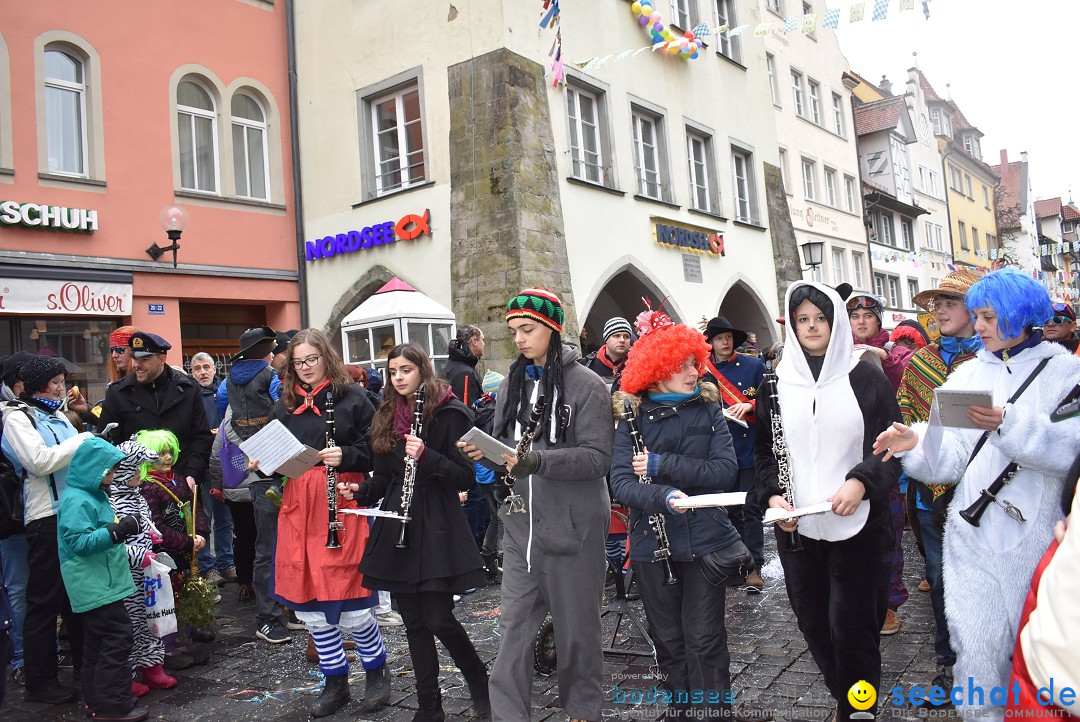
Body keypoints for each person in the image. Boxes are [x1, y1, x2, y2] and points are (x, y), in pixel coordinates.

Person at [874, 268, 1080, 722]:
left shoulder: (1066, 373)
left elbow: (1070, 453)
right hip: (973, 533)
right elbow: (948, 457)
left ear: (1019, 316)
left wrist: (1009, 423)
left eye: (987, 316)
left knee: (1035, 651)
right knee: (976, 648)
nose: (979, 326)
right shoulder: (967, 374)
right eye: (978, 316)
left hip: (1040, 537)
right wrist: (916, 442)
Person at [460, 287, 614, 722]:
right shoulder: (511, 381)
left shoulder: (587, 386)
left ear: (552, 329)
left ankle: (583, 711)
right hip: (521, 528)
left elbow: (598, 458)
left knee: (577, 634)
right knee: (512, 633)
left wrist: (538, 460)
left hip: (573, 529)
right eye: (513, 331)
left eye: (527, 329)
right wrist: (485, 452)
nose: (520, 339)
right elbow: (511, 451)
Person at [755, 281, 901, 722]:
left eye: (820, 319)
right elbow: (764, 453)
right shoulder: (775, 384)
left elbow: (890, 447)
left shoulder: (865, 375)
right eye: (803, 320)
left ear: (835, 323)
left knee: (852, 631)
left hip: (859, 528)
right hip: (799, 532)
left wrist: (860, 482)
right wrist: (773, 497)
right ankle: (848, 698)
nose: (812, 327)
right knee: (816, 629)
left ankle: (858, 711)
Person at [340, 343, 489, 720]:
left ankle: (477, 677)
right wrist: (361, 490)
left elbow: (466, 475)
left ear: (423, 369)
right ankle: (429, 707)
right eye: (393, 372)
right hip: (398, 522)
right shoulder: (387, 415)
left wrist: (427, 456)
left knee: (439, 617)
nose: (398, 378)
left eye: (406, 369)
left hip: (437, 520)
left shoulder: (450, 412)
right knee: (414, 623)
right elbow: (386, 477)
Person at [609, 311, 741, 720]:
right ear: (658, 369)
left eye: (692, 362)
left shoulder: (708, 410)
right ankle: (681, 711)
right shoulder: (631, 418)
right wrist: (663, 497)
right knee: (668, 641)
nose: (692, 372)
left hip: (704, 541)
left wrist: (660, 465)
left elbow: (725, 471)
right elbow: (620, 483)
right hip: (652, 544)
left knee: (704, 638)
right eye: (681, 365)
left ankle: (714, 713)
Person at [261, 328, 388, 718]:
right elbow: (273, 448)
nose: (305, 369)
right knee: (312, 600)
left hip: (341, 502)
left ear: (326, 358)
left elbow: (380, 451)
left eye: (311, 360)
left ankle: (376, 671)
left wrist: (347, 455)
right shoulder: (284, 404)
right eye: (298, 363)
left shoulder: (355, 398)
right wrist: (263, 462)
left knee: (346, 591)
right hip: (300, 505)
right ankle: (335, 680)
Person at [896, 269, 982, 688]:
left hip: (981, 491)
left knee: (982, 574)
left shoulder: (989, 359)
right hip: (930, 494)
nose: (940, 311)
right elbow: (905, 415)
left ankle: (985, 655)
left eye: (949, 303)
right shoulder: (921, 362)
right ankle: (947, 655)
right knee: (939, 571)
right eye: (936, 304)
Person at [1, 355, 94, 704]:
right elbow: (38, 462)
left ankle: (87, 666)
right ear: (38, 385)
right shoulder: (16, 417)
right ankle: (40, 681)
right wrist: (82, 442)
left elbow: (74, 457)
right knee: (44, 601)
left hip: (75, 513)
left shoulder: (56, 415)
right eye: (55, 383)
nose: (61, 388)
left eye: (61, 381)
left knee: (77, 595)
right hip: (46, 516)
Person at [57, 436, 149, 722]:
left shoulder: (90, 495)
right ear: (93, 470)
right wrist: (118, 531)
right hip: (95, 584)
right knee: (116, 640)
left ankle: (98, 702)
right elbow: (79, 541)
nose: (111, 477)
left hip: (101, 583)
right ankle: (113, 706)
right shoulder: (78, 499)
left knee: (97, 644)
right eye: (108, 471)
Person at [846, 294, 911, 634]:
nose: (860, 321)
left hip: (884, 454)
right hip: (848, 455)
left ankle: (889, 602)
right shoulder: (837, 354)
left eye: (867, 315)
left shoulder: (895, 351)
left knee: (889, 532)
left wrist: (884, 361)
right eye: (854, 315)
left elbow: (904, 378)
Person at [97, 332, 213, 495]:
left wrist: (192, 473)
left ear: (162, 359)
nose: (137, 365)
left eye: (144, 359)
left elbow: (201, 437)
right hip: (135, 489)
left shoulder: (188, 389)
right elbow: (109, 443)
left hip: (181, 484)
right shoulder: (118, 393)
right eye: (135, 358)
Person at [700, 314, 767, 592]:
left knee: (751, 508)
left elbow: (769, 399)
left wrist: (750, 404)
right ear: (711, 342)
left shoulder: (753, 366)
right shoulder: (702, 372)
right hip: (718, 450)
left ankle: (753, 566)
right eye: (719, 338)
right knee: (727, 510)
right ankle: (733, 563)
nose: (724, 342)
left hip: (748, 445)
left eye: (728, 337)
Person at [135, 429, 210, 670]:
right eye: (160, 454)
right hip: (166, 555)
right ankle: (168, 648)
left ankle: (185, 640)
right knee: (168, 599)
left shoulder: (177, 479)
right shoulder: (148, 488)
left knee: (185, 596)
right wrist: (187, 541)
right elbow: (156, 527)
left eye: (170, 452)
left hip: (186, 551)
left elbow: (195, 508)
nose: (167, 458)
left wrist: (200, 534)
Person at [107, 439, 177, 696]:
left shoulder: (138, 496)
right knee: (130, 623)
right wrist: (138, 555)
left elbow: (146, 522)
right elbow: (112, 544)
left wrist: (154, 535)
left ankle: (152, 664)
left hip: (147, 572)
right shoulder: (112, 502)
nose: (139, 475)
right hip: (127, 575)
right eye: (134, 471)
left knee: (151, 618)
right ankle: (127, 672)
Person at [847, 294, 909, 390]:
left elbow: (908, 386)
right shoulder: (842, 353)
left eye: (868, 316)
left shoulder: (903, 354)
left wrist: (885, 357)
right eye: (855, 317)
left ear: (878, 320)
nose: (861, 321)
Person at [579, 317, 633, 392]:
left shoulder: (636, 366)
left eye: (626, 336)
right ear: (606, 339)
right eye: (616, 336)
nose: (622, 340)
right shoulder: (586, 365)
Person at [444, 325, 485, 408]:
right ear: (475, 341)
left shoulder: (458, 364)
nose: (484, 343)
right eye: (482, 339)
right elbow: (471, 409)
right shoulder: (464, 372)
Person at [189, 353, 221, 429]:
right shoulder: (189, 395)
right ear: (192, 373)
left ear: (214, 370)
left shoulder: (226, 390)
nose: (203, 372)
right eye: (197, 368)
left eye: (206, 367)